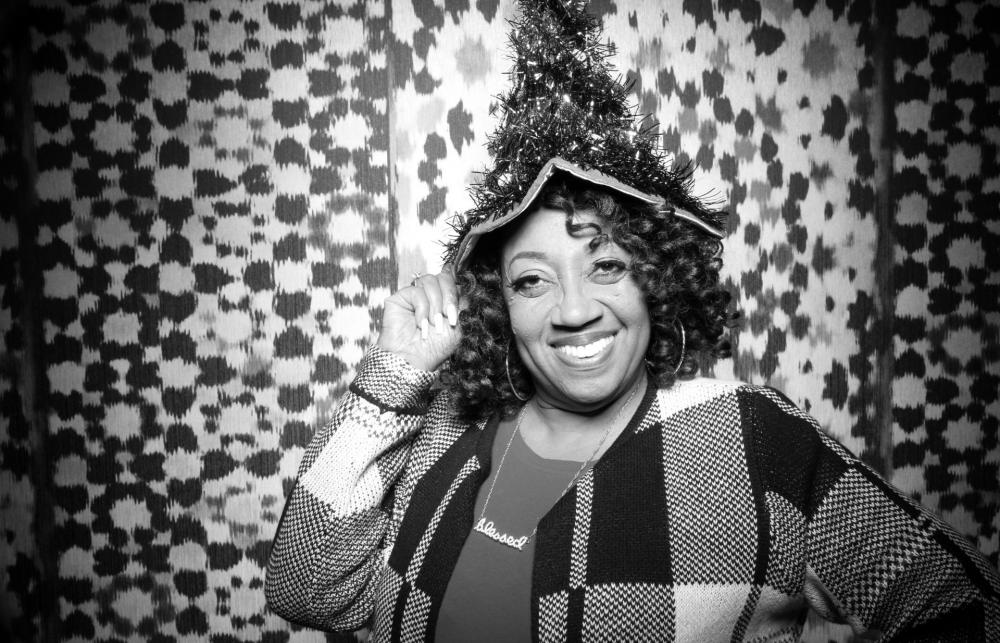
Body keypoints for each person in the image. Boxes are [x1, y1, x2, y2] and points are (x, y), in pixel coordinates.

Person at [264, 164, 1000, 641]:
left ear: (655, 280)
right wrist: (395, 372)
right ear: (498, 306)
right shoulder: (445, 430)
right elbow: (305, 584)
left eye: (607, 266)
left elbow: (968, 612)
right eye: (532, 280)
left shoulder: (750, 434)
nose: (573, 309)